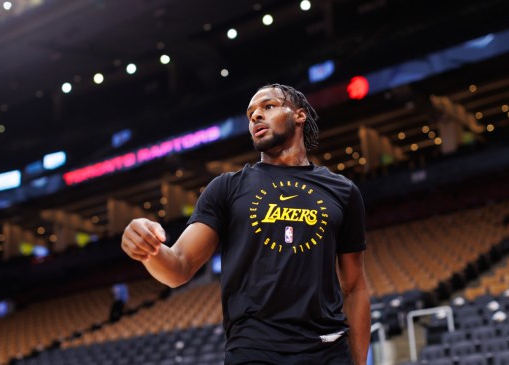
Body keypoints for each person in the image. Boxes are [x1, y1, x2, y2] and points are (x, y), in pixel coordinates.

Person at [121, 83, 370, 364]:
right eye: (251, 113)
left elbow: (355, 287)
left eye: (269, 106)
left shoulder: (343, 191)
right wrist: (150, 250)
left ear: (299, 115)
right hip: (254, 353)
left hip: (327, 351)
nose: (255, 116)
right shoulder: (226, 188)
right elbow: (178, 266)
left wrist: (359, 362)